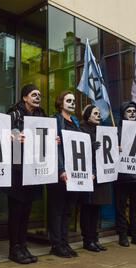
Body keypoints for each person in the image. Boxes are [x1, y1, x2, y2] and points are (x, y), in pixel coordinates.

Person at [6, 84, 46, 264]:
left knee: (27, 210)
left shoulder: (42, 116)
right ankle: (14, 248)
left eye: (39, 94)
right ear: (24, 97)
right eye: (33, 94)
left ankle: (23, 245)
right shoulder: (13, 114)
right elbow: (2, 136)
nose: (37, 97)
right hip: (17, 169)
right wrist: (13, 137)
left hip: (34, 169)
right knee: (16, 211)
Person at [47, 91, 80, 258]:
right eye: (69, 100)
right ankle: (56, 244)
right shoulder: (55, 120)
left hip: (73, 172)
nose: (72, 103)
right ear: (61, 103)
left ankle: (65, 242)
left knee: (68, 210)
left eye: (73, 101)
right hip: (59, 172)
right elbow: (54, 147)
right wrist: (60, 169)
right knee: (57, 209)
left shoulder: (75, 121)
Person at [115, 101, 136, 248]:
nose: (132, 113)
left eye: (134, 110)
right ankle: (123, 236)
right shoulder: (117, 130)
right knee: (121, 208)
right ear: (123, 113)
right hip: (122, 176)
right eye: (129, 111)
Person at [79, 105, 112, 252]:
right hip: (89, 175)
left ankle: (94, 238)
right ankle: (88, 240)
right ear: (87, 115)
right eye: (95, 113)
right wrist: (89, 147)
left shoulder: (102, 131)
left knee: (97, 208)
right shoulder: (81, 129)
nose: (98, 116)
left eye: (99, 113)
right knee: (88, 208)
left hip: (100, 175)